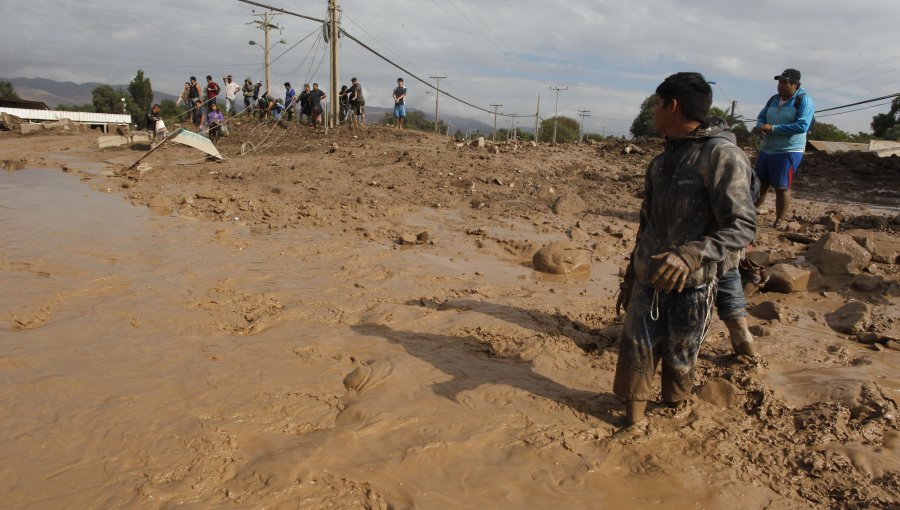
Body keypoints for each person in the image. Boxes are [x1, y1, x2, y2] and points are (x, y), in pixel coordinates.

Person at [613, 72, 756, 427]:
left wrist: (689, 255)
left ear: (671, 106)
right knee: (635, 353)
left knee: (680, 361)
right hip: (649, 279)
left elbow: (741, 226)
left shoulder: (722, 157)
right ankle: (632, 424)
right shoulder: (660, 163)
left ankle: (672, 415)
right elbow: (646, 226)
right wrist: (631, 277)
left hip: (692, 284)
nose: (652, 114)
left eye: (656, 105)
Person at [753, 68, 814, 230]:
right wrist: (760, 126)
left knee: (781, 186)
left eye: (784, 82)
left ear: (794, 84)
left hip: (788, 150)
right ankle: (750, 213)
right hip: (767, 148)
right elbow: (761, 117)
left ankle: (780, 220)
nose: (780, 86)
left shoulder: (804, 101)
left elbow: (802, 125)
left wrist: (773, 128)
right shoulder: (773, 99)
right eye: (779, 82)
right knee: (760, 183)